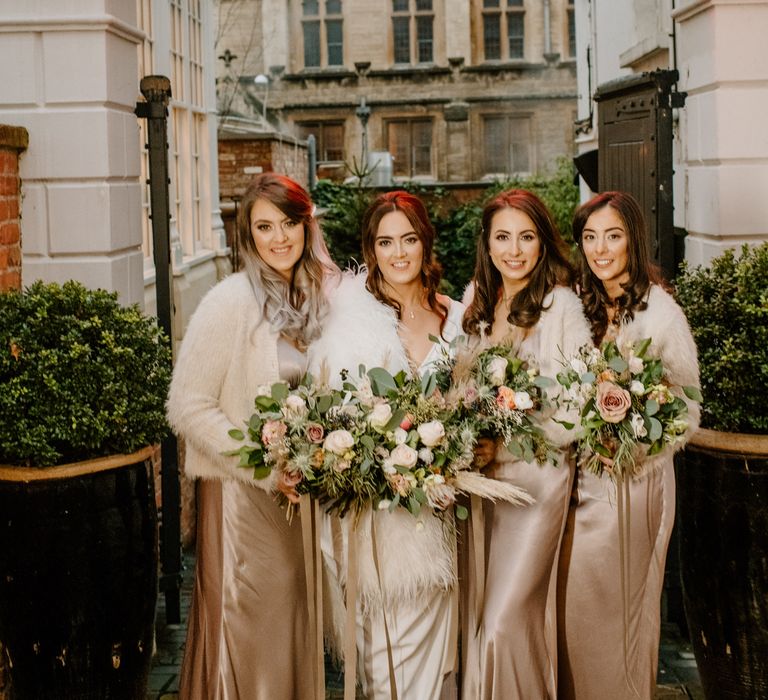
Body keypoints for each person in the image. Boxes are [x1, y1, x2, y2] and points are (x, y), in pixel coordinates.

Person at [166, 173, 340, 699]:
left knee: (295, 614)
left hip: (300, 499)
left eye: (289, 223)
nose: (279, 238)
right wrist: (265, 467)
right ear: (247, 235)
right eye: (265, 227)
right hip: (243, 498)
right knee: (247, 625)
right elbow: (187, 406)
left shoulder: (319, 302)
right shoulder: (229, 302)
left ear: (307, 227)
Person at [308, 190, 464, 700]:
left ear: (426, 243)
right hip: (377, 524)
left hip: (443, 517)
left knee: (438, 658)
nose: (399, 253)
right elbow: (332, 418)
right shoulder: (350, 325)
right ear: (370, 250)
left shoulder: (458, 319)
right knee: (383, 660)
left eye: (409, 239)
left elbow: (473, 409)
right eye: (386, 242)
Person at [557, 191, 700, 700]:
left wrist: (637, 438)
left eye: (612, 236)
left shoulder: (660, 314)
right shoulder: (576, 303)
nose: (600, 249)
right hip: (579, 485)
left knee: (624, 608)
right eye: (590, 238)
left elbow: (686, 407)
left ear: (632, 241)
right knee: (576, 606)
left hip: (637, 482)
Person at [460, 189, 591, 699]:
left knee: (504, 618)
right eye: (503, 237)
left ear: (543, 242)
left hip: (538, 480)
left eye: (527, 237)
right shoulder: (479, 302)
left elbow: (579, 402)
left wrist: (519, 429)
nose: (514, 250)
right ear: (487, 244)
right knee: (479, 616)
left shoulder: (560, 305)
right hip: (483, 483)